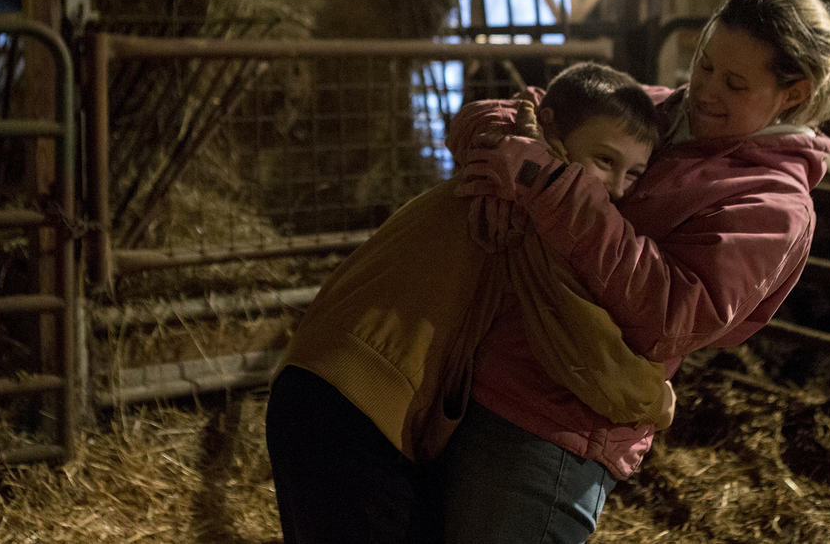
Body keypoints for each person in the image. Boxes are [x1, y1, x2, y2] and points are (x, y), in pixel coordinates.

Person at [439, 0, 830, 544]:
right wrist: (497, 136)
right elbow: (540, 109)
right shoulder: (656, 109)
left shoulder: (770, 204)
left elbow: (671, 315)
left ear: (793, 93)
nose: (704, 90)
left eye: (734, 83)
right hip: (477, 368)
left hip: (560, 422)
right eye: (704, 64)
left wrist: (551, 185)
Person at [265, 62, 675, 544]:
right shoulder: (532, 206)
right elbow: (583, 347)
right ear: (552, 131)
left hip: (332, 382)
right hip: (351, 404)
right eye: (604, 162)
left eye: (634, 174)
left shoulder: (512, 174)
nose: (617, 189)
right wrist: (656, 400)